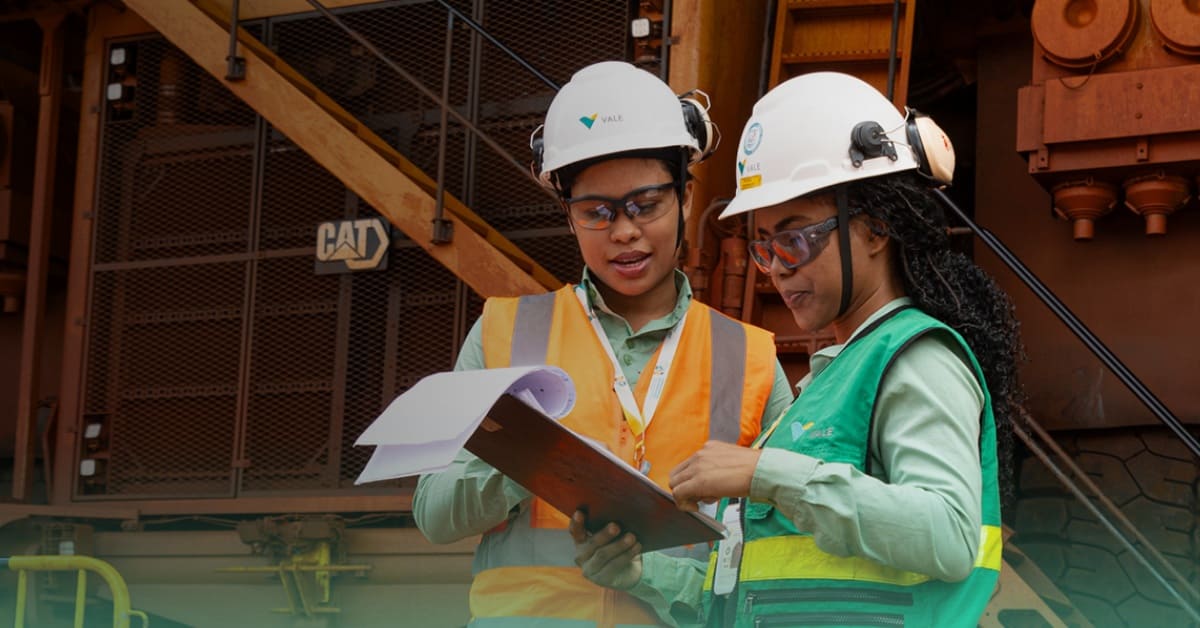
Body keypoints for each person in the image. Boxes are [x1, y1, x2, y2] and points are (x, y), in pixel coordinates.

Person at [570, 71, 1024, 628]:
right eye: (765, 247)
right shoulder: (833, 382)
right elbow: (762, 590)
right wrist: (644, 575)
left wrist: (765, 473)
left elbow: (948, 535)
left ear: (876, 228)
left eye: (795, 239)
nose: (778, 269)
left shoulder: (915, 359)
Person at [412, 61, 795, 627]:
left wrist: (654, 575)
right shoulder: (502, 333)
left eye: (646, 203)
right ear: (568, 216)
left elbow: (781, 546)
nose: (624, 231)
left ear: (687, 197)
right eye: (597, 212)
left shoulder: (751, 359)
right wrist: (522, 466)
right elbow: (432, 515)